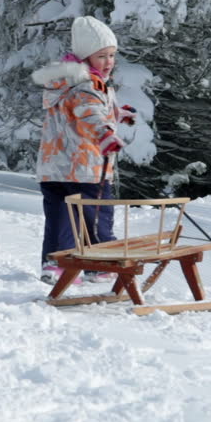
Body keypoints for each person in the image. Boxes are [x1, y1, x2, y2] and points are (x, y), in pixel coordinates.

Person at [31, 16, 137, 284]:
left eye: (112, 55)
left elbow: (84, 111)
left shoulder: (65, 81)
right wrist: (106, 136)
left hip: (54, 167)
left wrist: (118, 113)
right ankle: (99, 264)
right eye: (101, 56)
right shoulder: (87, 83)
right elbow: (89, 113)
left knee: (60, 216)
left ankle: (54, 265)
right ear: (86, 57)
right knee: (97, 213)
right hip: (86, 166)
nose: (109, 61)